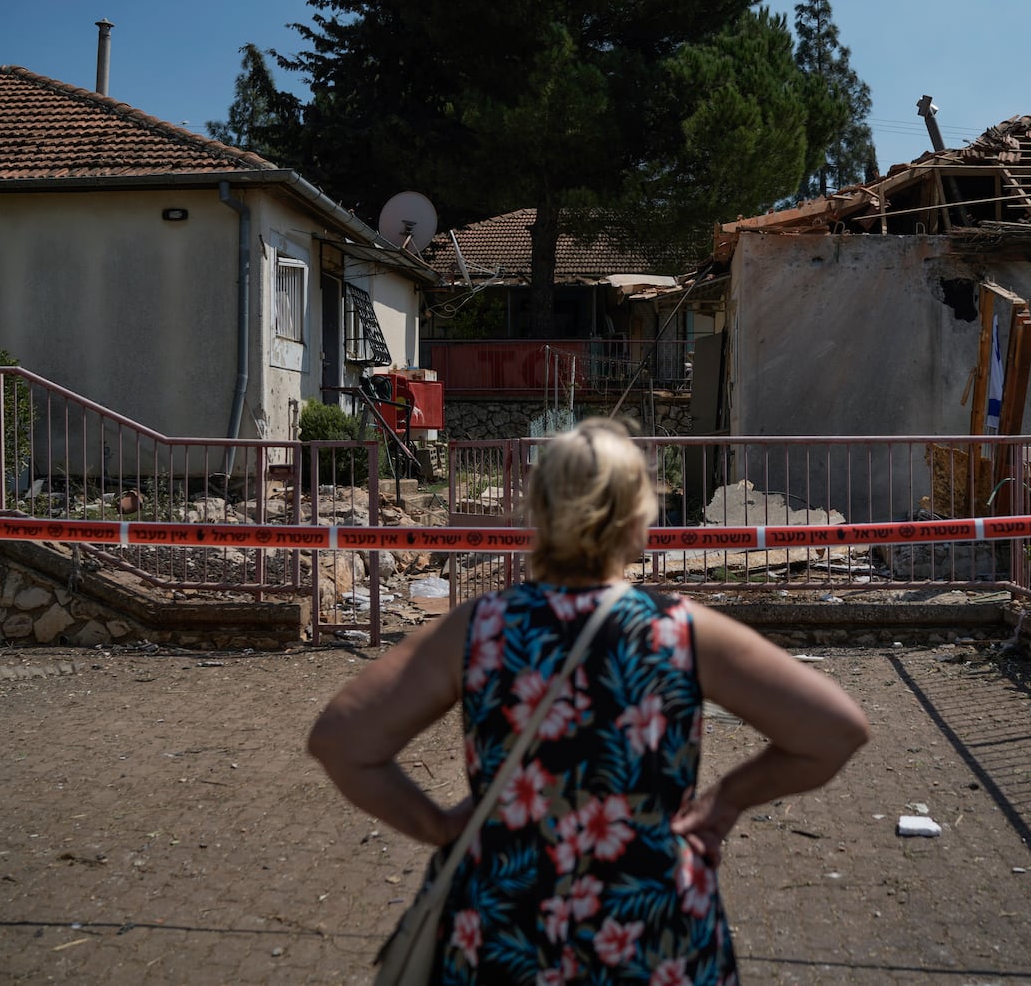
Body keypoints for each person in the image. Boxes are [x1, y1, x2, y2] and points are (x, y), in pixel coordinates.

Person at [308, 417, 870, 983]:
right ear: (637, 518)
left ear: (540, 512)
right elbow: (834, 729)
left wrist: (436, 826)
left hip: (506, 931)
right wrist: (727, 801)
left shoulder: (479, 629)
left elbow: (342, 739)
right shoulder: (681, 631)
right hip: (654, 936)